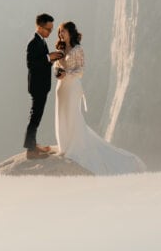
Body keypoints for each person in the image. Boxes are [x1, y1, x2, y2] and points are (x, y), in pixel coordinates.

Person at [54, 21, 146, 174]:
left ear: (70, 32)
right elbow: (56, 66)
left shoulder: (78, 49)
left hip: (72, 87)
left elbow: (81, 70)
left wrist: (67, 74)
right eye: (59, 32)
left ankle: (74, 146)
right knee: (61, 114)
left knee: (73, 115)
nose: (60, 34)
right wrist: (57, 71)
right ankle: (64, 144)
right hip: (61, 88)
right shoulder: (61, 49)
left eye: (63, 31)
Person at [23, 13, 63, 159]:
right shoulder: (33, 43)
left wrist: (52, 59)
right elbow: (31, 65)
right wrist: (48, 57)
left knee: (37, 116)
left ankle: (33, 144)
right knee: (35, 116)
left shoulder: (42, 41)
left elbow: (42, 62)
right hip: (37, 86)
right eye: (48, 29)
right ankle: (31, 150)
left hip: (42, 85)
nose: (50, 32)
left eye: (51, 30)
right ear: (39, 27)